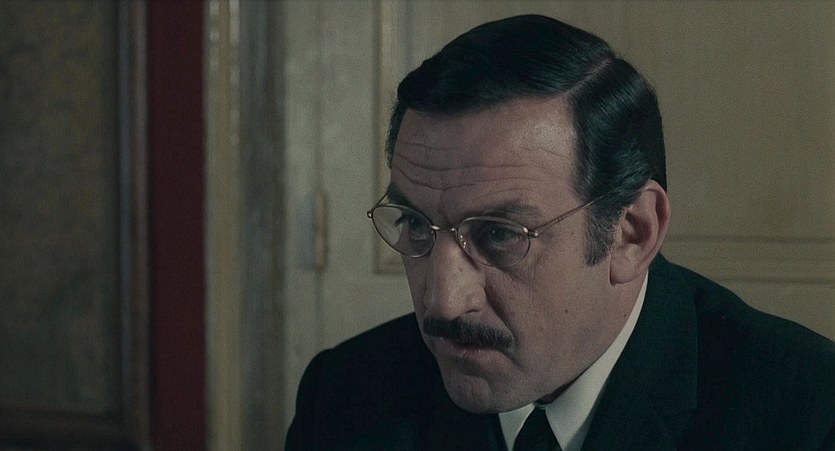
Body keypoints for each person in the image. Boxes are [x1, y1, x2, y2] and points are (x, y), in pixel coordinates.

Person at [285, 14, 835, 451]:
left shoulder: (809, 415)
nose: (444, 301)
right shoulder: (345, 397)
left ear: (633, 234)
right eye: (413, 224)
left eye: (500, 234)